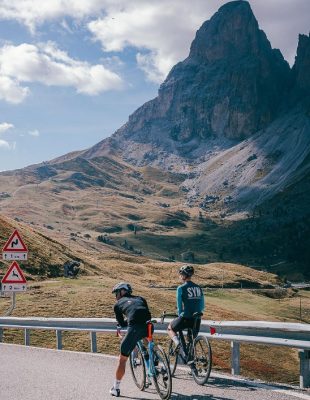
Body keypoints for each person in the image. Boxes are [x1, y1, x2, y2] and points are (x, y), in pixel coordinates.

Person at [110, 282, 151, 397]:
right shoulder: (141, 298)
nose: (116, 296)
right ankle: (155, 361)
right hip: (148, 325)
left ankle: (116, 388)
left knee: (122, 359)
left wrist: (126, 323)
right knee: (147, 340)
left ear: (122, 291)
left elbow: (122, 323)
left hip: (134, 327)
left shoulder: (118, 304)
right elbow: (147, 314)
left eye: (116, 293)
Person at [168, 265, 205, 350]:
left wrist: (180, 314)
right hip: (197, 318)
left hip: (186, 317)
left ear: (184, 276)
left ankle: (177, 343)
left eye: (180, 274)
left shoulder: (181, 288)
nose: (180, 276)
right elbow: (202, 305)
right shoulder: (199, 288)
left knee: (170, 328)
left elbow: (180, 306)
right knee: (190, 342)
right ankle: (191, 359)